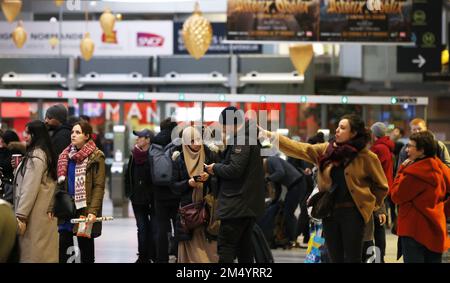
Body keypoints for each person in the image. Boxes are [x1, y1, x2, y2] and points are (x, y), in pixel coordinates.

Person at [259, 114, 388, 263]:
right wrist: (271, 136)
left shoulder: (367, 157)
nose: (337, 130)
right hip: (329, 213)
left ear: (353, 133)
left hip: (354, 214)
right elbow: (300, 148)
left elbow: (381, 186)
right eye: (338, 126)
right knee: (334, 258)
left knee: (353, 259)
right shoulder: (326, 150)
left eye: (343, 127)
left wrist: (370, 206)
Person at [205, 106, 265, 263]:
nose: (223, 130)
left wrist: (215, 168)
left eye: (224, 126)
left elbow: (235, 169)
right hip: (245, 203)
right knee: (244, 247)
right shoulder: (248, 137)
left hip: (237, 203)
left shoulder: (243, 139)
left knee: (226, 246)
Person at [391, 130, 450, 263]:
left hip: (413, 230)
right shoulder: (442, 168)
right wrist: (443, 210)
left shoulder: (412, 173)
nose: (407, 150)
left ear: (421, 150)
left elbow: (395, 196)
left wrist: (400, 171)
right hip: (436, 227)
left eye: (410, 146)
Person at [56, 120, 106, 263]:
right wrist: (52, 207)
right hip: (67, 207)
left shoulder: (96, 156)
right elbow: (59, 184)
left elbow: (99, 186)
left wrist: (93, 211)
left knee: (86, 250)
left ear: (87, 136)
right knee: (64, 247)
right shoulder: (65, 155)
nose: (73, 135)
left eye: (78, 132)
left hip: (84, 208)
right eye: (72, 132)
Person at [171, 126, 219, 263]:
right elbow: (173, 186)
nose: (197, 143)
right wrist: (188, 183)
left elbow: (220, 179)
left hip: (207, 210)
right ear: (185, 142)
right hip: (188, 212)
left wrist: (210, 176)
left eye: (198, 139)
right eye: (192, 141)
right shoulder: (179, 159)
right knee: (189, 246)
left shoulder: (209, 154)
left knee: (209, 250)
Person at [13, 120, 59, 263]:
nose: (25, 136)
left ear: (35, 134)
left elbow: (29, 188)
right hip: (44, 211)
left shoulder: (36, 157)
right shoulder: (46, 153)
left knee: (34, 254)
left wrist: (21, 215)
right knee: (45, 254)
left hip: (34, 214)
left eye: (28, 133)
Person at [124, 128, 158, 263]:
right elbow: (128, 176)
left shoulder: (155, 154)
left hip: (153, 199)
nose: (137, 139)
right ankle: (143, 257)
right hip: (137, 199)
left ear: (148, 139)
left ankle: (153, 255)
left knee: (154, 228)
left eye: (140, 137)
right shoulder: (134, 155)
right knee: (142, 228)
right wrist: (129, 193)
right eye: (137, 137)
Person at [151, 117, 181, 263]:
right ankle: (177, 254)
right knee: (178, 225)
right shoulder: (178, 142)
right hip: (176, 191)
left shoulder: (153, 142)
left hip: (159, 193)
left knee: (162, 228)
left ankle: (161, 258)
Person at [263, 155, 305, 247]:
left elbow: (280, 172)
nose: (265, 173)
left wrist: (267, 179)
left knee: (288, 213)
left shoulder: (271, 160)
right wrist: (274, 202)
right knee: (287, 211)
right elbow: (278, 189)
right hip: (293, 187)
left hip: (297, 184)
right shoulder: (269, 170)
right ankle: (291, 237)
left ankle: (293, 238)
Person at [0, 130, 20, 203]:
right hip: (5, 184)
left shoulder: (16, 152)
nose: (1, 142)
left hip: (10, 185)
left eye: (3, 141)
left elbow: (5, 165)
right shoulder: (4, 150)